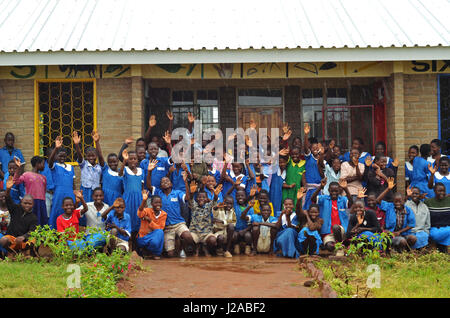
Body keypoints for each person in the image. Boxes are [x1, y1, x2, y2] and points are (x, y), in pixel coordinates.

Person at [147, 159, 195, 258]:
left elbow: (187, 198)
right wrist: (149, 171)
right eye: (163, 182)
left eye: (167, 181)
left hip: (179, 223)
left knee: (188, 236)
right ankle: (176, 247)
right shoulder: (158, 193)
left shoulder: (177, 193)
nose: (165, 182)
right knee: (170, 254)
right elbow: (148, 186)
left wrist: (186, 182)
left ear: (171, 184)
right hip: (167, 227)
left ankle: (186, 249)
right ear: (160, 185)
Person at [311, 179, 352, 253]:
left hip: (341, 231)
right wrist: (321, 187)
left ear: (339, 190)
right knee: (329, 246)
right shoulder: (324, 199)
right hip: (327, 232)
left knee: (335, 227)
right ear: (329, 190)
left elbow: (351, 203)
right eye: (332, 191)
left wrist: (346, 188)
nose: (334, 193)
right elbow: (313, 198)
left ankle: (340, 246)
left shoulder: (342, 199)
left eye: (336, 191)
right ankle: (339, 248)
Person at [0, 178, 37, 258]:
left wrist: (24, 237)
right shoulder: (15, 209)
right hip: (13, 239)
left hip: (24, 241)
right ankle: (11, 253)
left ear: (33, 204)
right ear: (21, 202)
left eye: (29, 204)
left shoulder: (33, 217)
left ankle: (26, 254)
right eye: (25, 203)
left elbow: (32, 231)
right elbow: (8, 200)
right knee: (3, 240)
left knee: (34, 239)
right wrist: (8, 189)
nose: (27, 205)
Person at [48, 136, 75, 229]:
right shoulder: (54, 166)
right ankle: (55, 233)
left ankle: (70, 233)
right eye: (60, 156)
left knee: (70, 212)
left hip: (70, 193)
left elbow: (73, 183)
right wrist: (56, 148)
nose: (62, 158)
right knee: (57, 210)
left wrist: (75, 193)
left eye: (64, 156)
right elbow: (49, 162)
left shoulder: (71, 167)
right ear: (56, 156)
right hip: (58, 193)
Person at [187, 184, 222, 257]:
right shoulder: (194, 205)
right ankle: (196, 247)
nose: (201, 199)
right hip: (195, 232)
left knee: (212, 240)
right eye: (199, 197)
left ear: (207, 199)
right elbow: (190, 199)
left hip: (206, 233)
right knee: (187, 237)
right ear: (197, 198)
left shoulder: (208, 206)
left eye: (204, 197)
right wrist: (192, 193)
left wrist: (215, 195)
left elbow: (214, 201)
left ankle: (205, 247)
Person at [119, 150, 144, 248]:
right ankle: (127, 245)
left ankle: (136, 246)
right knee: (129, 219)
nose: (133, 161)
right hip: (128, 199)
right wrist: (124, 161)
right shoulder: (125, 169)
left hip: (138, 199)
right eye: (130, 159)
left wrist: (144, 200)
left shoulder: (141, 171)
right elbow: (120, 174)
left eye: (135, 159)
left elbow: (142, 187)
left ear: (137, 160)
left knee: (138, 220)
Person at [13, 156, 48, 226]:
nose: (44, 166)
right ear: (37, 164)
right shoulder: (27, 174)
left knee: (42, 220)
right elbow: (16, 181)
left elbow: (43, 191)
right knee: (32, 220)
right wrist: (18, 168)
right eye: (43, 164)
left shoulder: (44, 178)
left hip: (42, 202)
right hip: (31, 202)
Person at [136, 191, 167, 259]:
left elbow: (160, 228)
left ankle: (156, 253)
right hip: (143, 238)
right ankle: (146, 251)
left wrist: (150, 220)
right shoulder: (147, 210)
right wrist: (144, 201)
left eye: (159, 203)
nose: (158, 204)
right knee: (157, 235)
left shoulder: (164, 214)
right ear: (152, 204)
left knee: (160, 232)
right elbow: (140, 213)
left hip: (154, 239)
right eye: (156, 203)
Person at [302, 125, 324, 210]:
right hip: (309, 188)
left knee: (318, 209)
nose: (315, 149)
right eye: (313, 148)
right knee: (307, 208)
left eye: (317, 148)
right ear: (310, 149)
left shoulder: (321, 159)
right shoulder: (309, 157)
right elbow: (305, 148)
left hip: (318, 188)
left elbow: (322, 172)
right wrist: (306, 135)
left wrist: (321, 154)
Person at [296, 188, 323, 256]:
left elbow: (311, 227)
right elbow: (298, 211)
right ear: (308, 211)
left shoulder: (320, 220)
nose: (313, 214)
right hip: (302, 245)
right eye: (311, 212)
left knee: (311, 234)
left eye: (315, 212)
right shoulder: (303, 217)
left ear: (318, 213)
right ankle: (303, 252)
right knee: (304, 231)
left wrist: (307, 215)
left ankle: (312, 253)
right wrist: (299, 200)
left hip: (313, 246)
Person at [425, 183, 450, 252]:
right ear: (434, 191)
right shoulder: (428, 202)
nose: (442, 193)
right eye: (439, 191)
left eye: (443, 191)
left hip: (448, 227)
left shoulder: (449, 200)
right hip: (435, 229)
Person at [231, 188, 254, 255]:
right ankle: (236, 245)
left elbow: (251, 223)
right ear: (235, 197)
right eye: (238, 196)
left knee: (248, 236)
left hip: (246, 230)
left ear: (245, 197)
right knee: (234, 235)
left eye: (242, 195)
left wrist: (244, 230)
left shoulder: (250, 208)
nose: (240, 197)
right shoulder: (234, 206)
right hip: (236, 230)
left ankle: (248, 246)